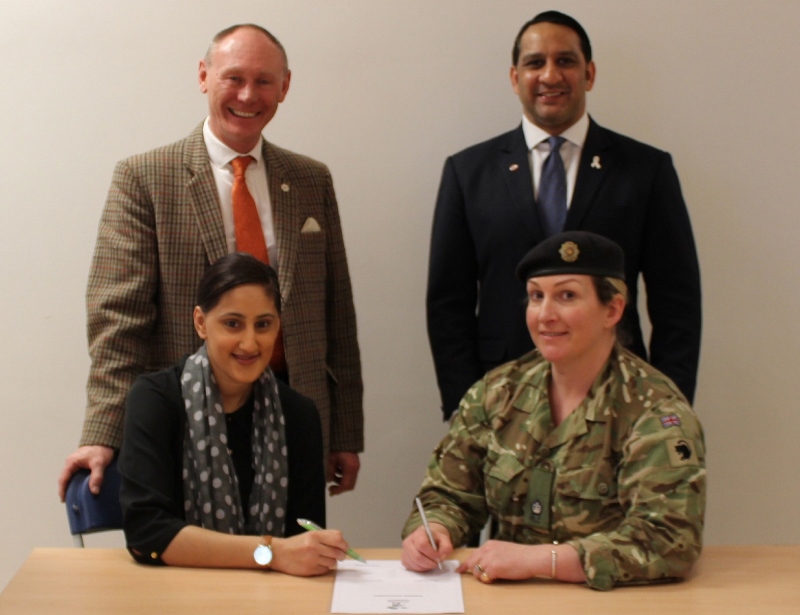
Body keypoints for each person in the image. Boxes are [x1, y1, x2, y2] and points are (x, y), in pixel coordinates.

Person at [58, 24, 363, 502]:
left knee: (289, 558)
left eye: (264, 81)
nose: (248, 94)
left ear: (285, 87)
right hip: (184, 414)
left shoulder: (310, 180)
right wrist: (103, 430)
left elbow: (336, 314)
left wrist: (344, 432)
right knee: (189, 563)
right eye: (233, 78)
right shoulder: (144, 179)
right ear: (204, 76)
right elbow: (118, 320)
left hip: (292, 413)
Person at [427, 10, 701, 422]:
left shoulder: (646, 170)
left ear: (589, 73)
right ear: (515, 77)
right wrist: (466, 406)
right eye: (535, 63)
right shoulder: (468, 173)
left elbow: (677, 302)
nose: (550, 75)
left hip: (621, 400)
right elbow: (449, 302)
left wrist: (667, 406)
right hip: (500, 401)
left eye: (566, 61)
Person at [403, 231, 706, 591]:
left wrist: (540, 561)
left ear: (612, 309)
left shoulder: (653, 409)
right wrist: (434, 529)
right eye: (536, 296)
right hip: (508, 599)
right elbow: (450, 494)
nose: (545, 315)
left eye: (567, 296)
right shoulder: (497, 392)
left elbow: (668, 541)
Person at [119, 252, 350, 574]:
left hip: (272, 597)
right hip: (175, 594)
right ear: (201, 322)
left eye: (264, 325)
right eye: (232, 324)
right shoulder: (155, 399)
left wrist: (310, 551)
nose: (249, 342)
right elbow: (146, 534)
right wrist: (270, 553)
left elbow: (303, 536)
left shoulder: (298, 414)